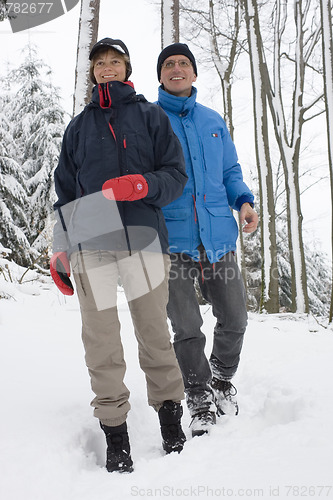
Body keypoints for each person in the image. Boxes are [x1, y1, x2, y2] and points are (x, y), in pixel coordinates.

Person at [50, 38, 188, 473]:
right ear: (92, 72)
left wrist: (143, 185)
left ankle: (170, 420)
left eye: (115, 61)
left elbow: (175, 176)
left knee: (154, 334)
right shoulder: (78, 128)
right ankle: (115, 434)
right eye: (100, 63)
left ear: (127, 68)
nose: (107, 68)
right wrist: (61, 246)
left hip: (145, 238)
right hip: (93, 243)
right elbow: (66, 193)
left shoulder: (151, 117)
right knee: (101, 341)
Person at [156, 43, 259, 437]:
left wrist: (244, 202)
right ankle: (198, 394)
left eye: (184, 63)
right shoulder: (150, 120)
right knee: (186, 326)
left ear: (194, 74)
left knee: (235, 317)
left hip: (218, 236)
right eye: (169, 64)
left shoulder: (214, 121)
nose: (177, 68)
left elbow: (230, 170)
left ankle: (220, 377)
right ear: (161, 75)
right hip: (172, 239)